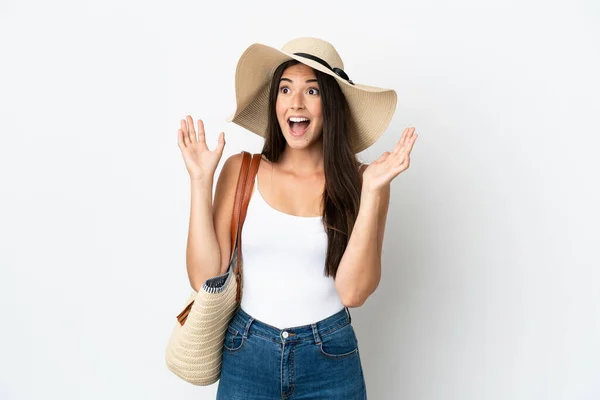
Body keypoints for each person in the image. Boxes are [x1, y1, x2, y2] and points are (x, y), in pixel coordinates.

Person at [176, 37, 418, 399]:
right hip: (247, 351)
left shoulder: (362, 183)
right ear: (275, 102)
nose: (296, 102)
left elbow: (353, 292)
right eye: (285, 89)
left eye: (312, 90)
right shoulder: (241, 170)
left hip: (329, 356)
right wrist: (200, 181)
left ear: (331, 104)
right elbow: (204, 278)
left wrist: (370, 193)